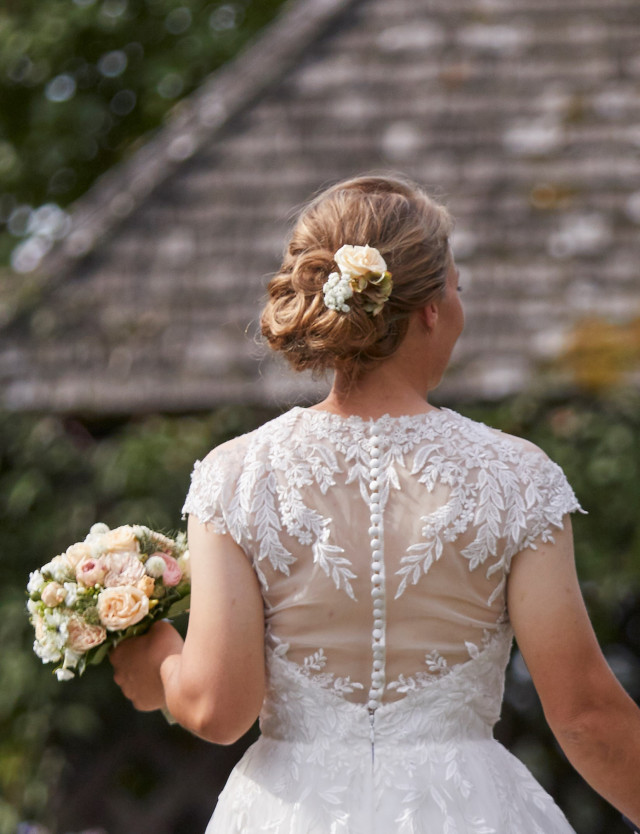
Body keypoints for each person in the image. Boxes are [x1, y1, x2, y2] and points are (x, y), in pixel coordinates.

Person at [111, 175, 640, 832]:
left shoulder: (238, 476)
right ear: (430, 310)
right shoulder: (517, 477)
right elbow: (586, 713)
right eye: (457, 286)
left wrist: (157, 663)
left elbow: (218, 707)